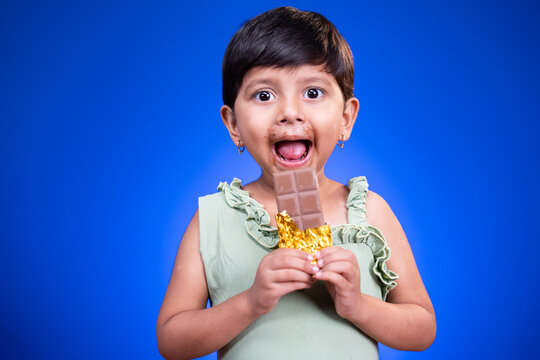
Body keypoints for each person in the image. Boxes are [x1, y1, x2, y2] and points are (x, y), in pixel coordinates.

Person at [157, 6, 436, 360]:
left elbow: (423, 328)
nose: (289, 112)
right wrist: (251, 301)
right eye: (264, 95)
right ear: (234, 126)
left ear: (346, 119)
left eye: (313, 93)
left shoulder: (369, 213)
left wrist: (358, 306)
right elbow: (171, 341)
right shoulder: (212, 218)